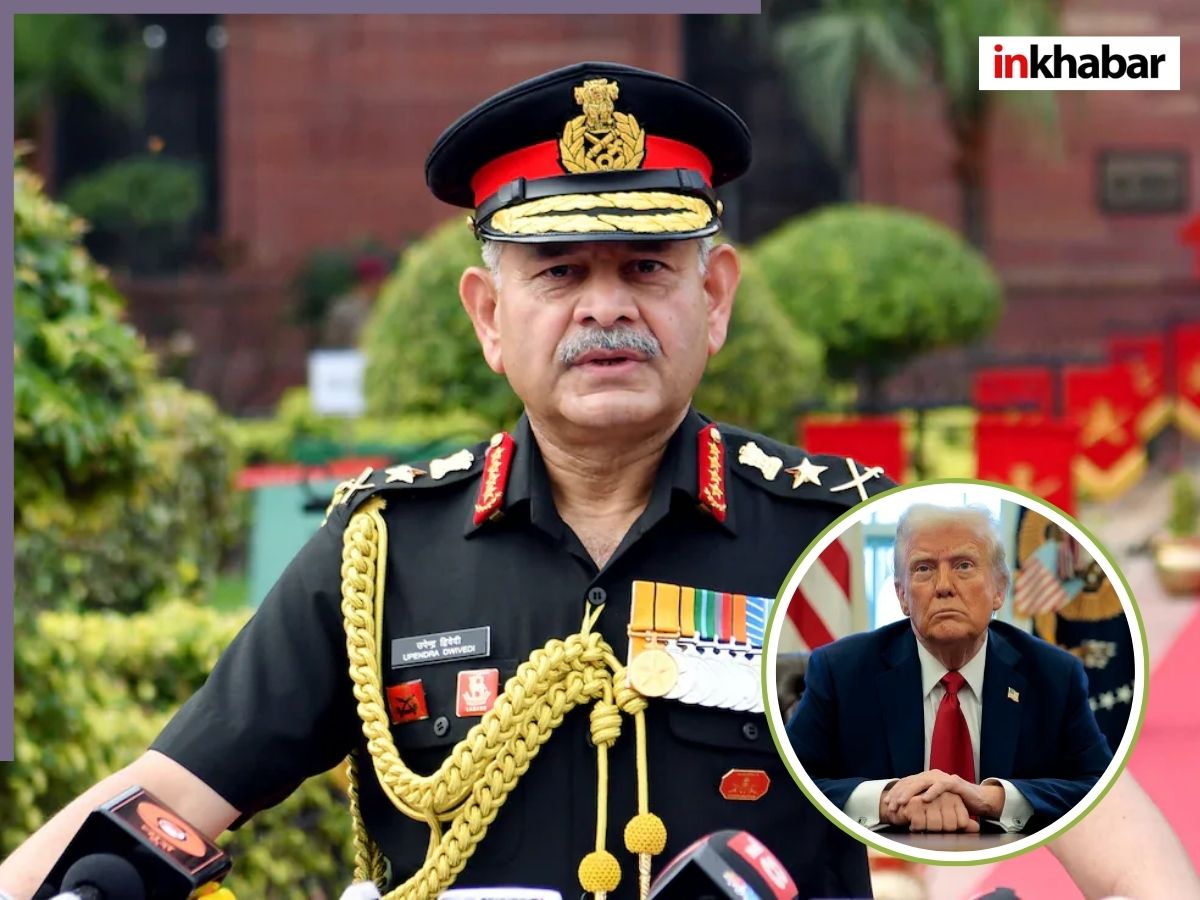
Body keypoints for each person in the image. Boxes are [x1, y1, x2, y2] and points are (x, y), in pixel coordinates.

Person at [5, 61, 1199, 900]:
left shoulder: (847, 540)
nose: (605, 308)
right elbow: (161, 800)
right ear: (488, 314)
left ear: (714, 298)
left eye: (647, 267)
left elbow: (1116, 841)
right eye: (559, 271)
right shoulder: (382, 556)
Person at [786, 503, 1113, 835]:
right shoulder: (841, 671)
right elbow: (788, 781)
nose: (943, 585)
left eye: (964, 565)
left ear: (999, 589)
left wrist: (996, 799)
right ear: (902, 595)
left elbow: (1102, 788)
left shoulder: (1055, 675)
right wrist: (888, 802)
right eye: (924, 569)